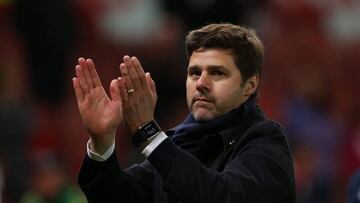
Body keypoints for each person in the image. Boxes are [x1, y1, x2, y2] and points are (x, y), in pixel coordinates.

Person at [73, 23, 295, 203]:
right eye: (194, 73)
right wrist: (101, 143)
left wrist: (149, 134)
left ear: (250, 85)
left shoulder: (265, 141)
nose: (201, 83)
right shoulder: (176, 144)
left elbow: (223, 196)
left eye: (217, 73)